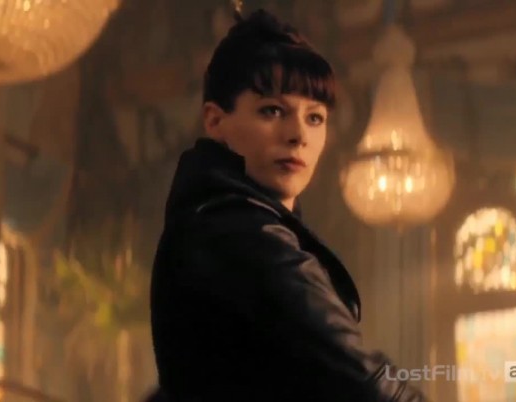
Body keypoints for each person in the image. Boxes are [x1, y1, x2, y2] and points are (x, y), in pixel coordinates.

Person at [150, 8, 430, 402]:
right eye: (272, 110)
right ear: (215, 121)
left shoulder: (216, 218)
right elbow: (365, 384)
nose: (298, 134)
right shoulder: (237, 230)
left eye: (315, 118)